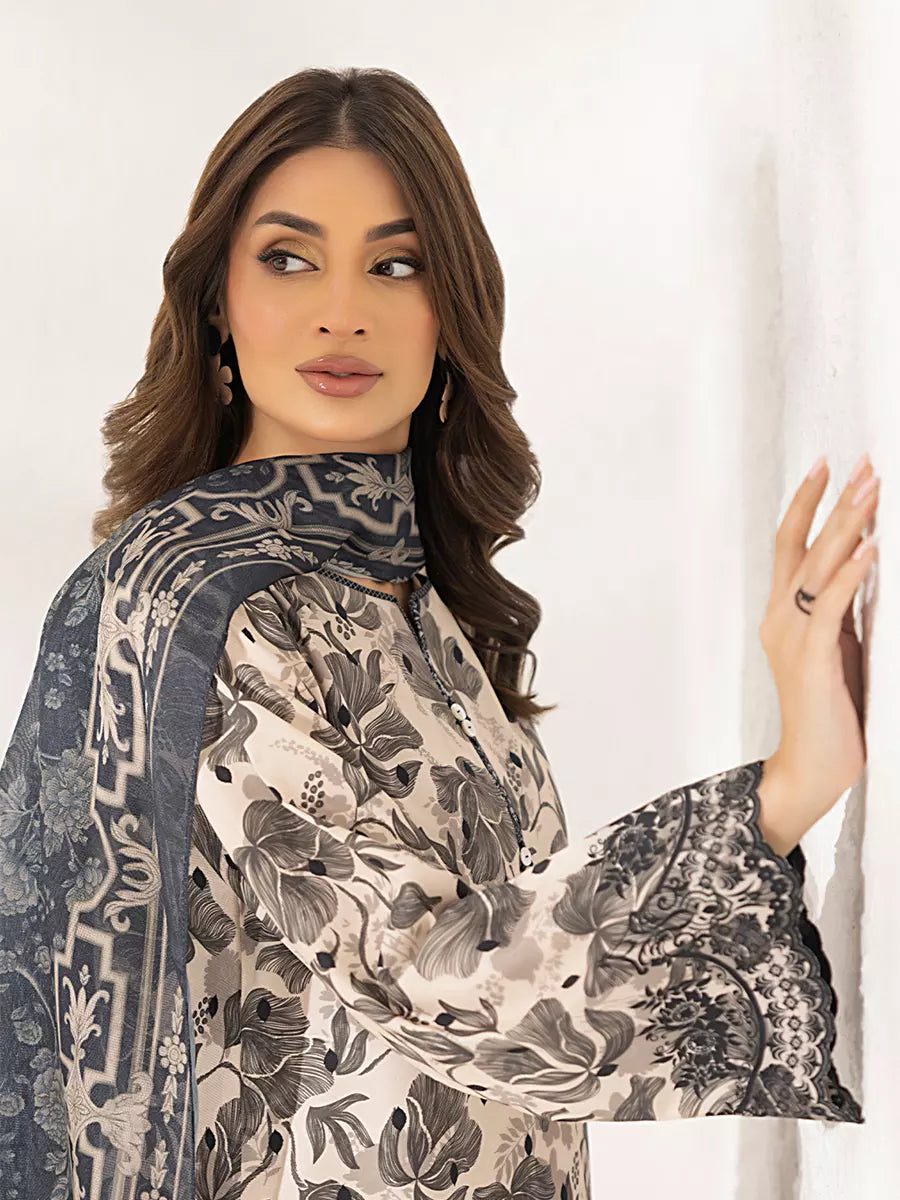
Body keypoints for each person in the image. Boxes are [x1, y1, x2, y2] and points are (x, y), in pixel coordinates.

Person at [0, 66, 874, 1200]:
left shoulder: (407, 602)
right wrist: (790, 784)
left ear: (448, 315)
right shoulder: (197, 603)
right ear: (218, 305)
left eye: (396, 264)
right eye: (289, 258)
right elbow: (428, 971)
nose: (342, 309)